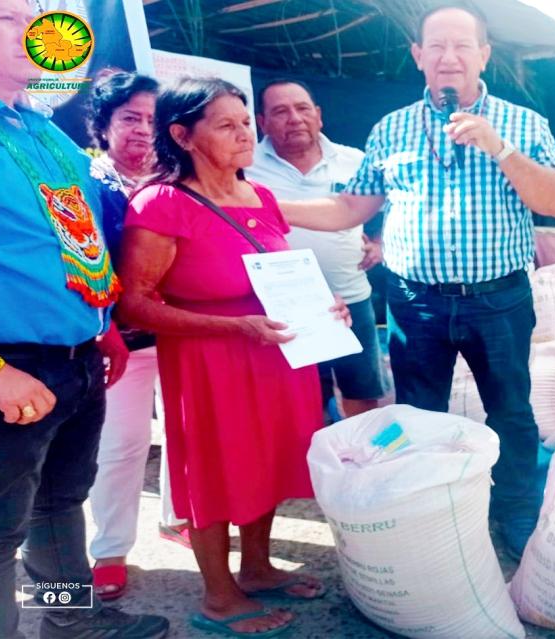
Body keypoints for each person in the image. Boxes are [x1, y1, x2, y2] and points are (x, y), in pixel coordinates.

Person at [279, 3, 555, 559]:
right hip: (416, 305)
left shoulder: (522, 124)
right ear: (418, 56)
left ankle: (514, 511)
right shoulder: (391, 128)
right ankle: (431, 515)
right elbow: (350, 207)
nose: (449, 57)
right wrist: (271, 206)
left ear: (484, 54)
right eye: (436, 46)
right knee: (417, 416)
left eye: (462, 45)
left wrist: (499, 148)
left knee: (512, 412)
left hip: (499, 301)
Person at [117, 77, 350, 637]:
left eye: (245, 122)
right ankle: (220, 597)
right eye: (226, 125)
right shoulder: (162, 203)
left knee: (266, 462)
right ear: (183, 136)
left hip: (276, 357)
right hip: (211, 364)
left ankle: (258, 568)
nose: (245, 134)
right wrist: (235, 327)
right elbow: (135, 304)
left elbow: (279, 276)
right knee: (216, 473)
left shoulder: (260, 197)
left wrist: (326, 308)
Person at [0, 2, 170, 638]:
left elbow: (75, 242)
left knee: (59, 503)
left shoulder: (45, 132)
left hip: (79, 360)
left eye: (33, 17)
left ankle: (71, 621)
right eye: (7, 19)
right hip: (6, 369)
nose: (33, 32)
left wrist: (102, 324)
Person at [85, 70, 191, 602]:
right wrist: (103, 325)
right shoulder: (81, 181)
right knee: (122, 445)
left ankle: (179, 517)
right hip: (116, 342)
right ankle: (109, 550)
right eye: (130, 118)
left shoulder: (180, 181)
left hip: (180, 333)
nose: (143, 130)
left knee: (186, 432)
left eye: (153, 119)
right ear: (103, 126)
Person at [246, 79, 385, 418]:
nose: (294, 118)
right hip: (283, 307)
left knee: (363, 396)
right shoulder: (245, 167)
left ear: (319, 115)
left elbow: (390, 207)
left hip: (352, 296)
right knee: (304, 403)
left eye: (303, 108)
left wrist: (380, 242)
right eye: (281, 111)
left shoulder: (354, 160)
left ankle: (360, 452)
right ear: (262, 122)